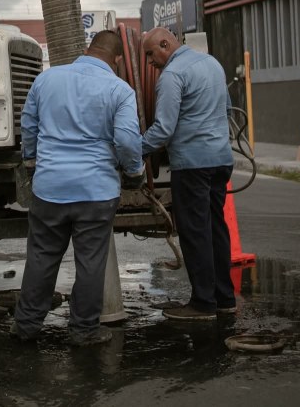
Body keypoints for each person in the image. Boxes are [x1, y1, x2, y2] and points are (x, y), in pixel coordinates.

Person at [12, 30, 145, 345]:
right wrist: (134, 172)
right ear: (116, 59)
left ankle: (26, 326)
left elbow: (28, 126)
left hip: (50, 189)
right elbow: (127, 139)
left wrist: (31, 163)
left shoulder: (47, 80)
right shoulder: (119, 89)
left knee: (42, 257)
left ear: (88, 49)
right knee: (90, 263)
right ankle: (83, 331)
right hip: (96, 193)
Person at [140, 27, 235, 321]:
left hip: (192, 165)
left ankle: (203, 304)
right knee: (216, 228)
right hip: (220, 160)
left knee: (195, 233)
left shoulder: (171, 75)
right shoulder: (212, 64)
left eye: (150, 54)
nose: (149, 63)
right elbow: (228, 111)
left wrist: (133, 148)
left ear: (166, 44)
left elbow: (164, 129)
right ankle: (224, 298)